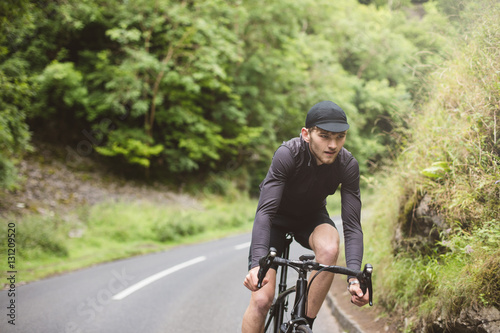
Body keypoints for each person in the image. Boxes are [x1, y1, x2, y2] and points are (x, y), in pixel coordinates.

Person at [242, 100, 370, 332]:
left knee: (330, 248)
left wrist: (354, 277)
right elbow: (265, 212)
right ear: (306, 134)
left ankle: (304, 324)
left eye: (340, 137)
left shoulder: (347, 164)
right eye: (324, 136)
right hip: (276, 221)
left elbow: (352, 226)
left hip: (311, 217)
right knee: (261, 300)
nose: (333, 145)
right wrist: (256, 264)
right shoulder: (288, 154)